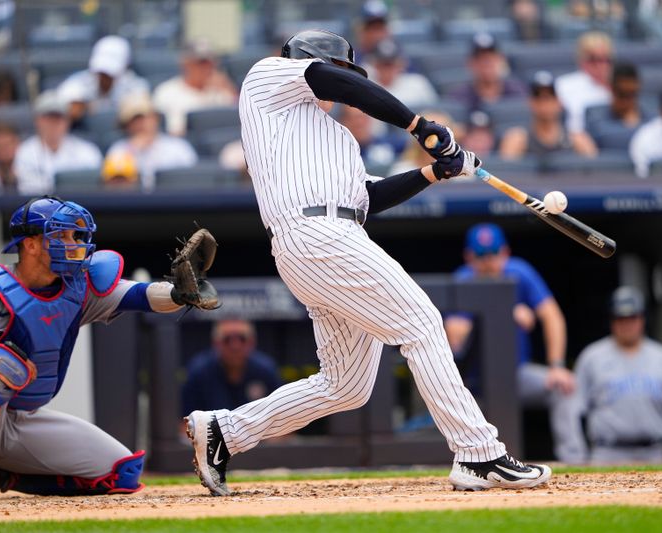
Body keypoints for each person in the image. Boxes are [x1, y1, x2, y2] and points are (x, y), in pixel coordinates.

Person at [184, 29, 552, 497]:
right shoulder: (267, 79)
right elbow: (334, 81)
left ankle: (225, 432)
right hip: (316, 234)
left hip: (327, 239)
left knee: (346, 384)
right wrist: (419, 125)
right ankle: (478, 452)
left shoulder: (333, 138)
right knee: (420, 324)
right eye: (342, 72)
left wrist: (434, 171)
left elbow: (369, 197)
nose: (345, 86)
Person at [0, 196, 218, 498]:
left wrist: (180, 293)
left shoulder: (77, 288)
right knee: (1, 366)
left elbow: (138, 296)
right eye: (61, 235)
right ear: (31, 245)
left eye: (75, 235)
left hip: (15, 421)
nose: (73, 243)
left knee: (121, 471)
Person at [446, 223, 587, 464]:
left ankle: (574, 462)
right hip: (473, 385)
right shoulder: (463, 279)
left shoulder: (519, 272)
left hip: (516, 374)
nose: (488, 261)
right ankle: (453, 465)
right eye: (481, 255)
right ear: (469, 257)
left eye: (493, 254)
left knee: (563, 388)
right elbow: (454, 334)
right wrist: (503, 312)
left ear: (505, 252)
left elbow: (552, 316)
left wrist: (556, 365)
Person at [575, 287, 662, 465]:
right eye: (620, 318)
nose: (627, 324)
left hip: (655, 452)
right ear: (612, 321)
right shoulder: (591, 357)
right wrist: (581, 454)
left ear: (642, 319)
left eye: (632, 317)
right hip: (606, 453)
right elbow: (579, 411)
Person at [182, 318, 282, 417]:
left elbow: (282, 417)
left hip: (260, 432)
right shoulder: (199, 371)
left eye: (242, 339)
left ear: (252, 342)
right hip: (210, 432)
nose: (235, 346)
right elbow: (185, 421)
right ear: (215, 343)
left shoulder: (265, 369)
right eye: (227, 339)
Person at [13, 91, 103, 195]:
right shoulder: (25, 151)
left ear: (68, 121)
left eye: (58, 118)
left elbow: (94, 190)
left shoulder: (88, 151)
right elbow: (28, 192)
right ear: (37, 120)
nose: (53, 124)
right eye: (48, 118)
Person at [106, 93, 197, 191]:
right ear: (126, 125)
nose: (139, 124)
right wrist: (132, 149)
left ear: (155, 118)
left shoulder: (178, 147)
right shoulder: (118, 149)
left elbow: (193, 182)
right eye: (133, 120)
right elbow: (114, 188)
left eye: (143, 117)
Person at [500, 71, 598, 159]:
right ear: (530, 103)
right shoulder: (518, 140)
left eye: (550, 98)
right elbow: (506, 175)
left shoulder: (578, 140)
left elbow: (596, 174)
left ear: (559, 102)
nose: (545, 104)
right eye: (539, 98)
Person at [152, 39, 238, 137]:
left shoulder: (222, 91)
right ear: (185, 63)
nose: (206, 68)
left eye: (210, 63)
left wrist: (229, 88)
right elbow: (168, 134)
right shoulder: (166, 92)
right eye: (200, 63)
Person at [58, 36, 149, 126]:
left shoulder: (136, 85)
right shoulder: (79, 81)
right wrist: (81, 106)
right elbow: (63, 109)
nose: (105, 76)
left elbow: (142, 116)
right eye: (101, 72)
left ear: (125, 67)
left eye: (110, 74)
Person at [448, 32, 526, 112]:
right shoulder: (460, 97)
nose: (486, 64)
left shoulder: (517, 93)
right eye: (480, 59)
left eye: (491, 58)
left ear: (502, 60)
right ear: (470, 63)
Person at [586, 62, 653, 152]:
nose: (626, 101)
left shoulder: (651, 118)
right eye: (622, 94)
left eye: (632, 94)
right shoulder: (593, 116)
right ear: (611, 88)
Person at [555, 31, 613, 133]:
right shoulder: (563, 85)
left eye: (606, 59)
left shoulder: (618, 87)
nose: (601, 66)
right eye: (594, 60)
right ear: (582, 60)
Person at [365, 39, 438, 110]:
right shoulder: (366, 86)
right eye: (382, 64)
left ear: (400, 64)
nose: (387, 69)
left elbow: (434, 111)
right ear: (374, 65)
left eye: (391, 64)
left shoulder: (417, 83)